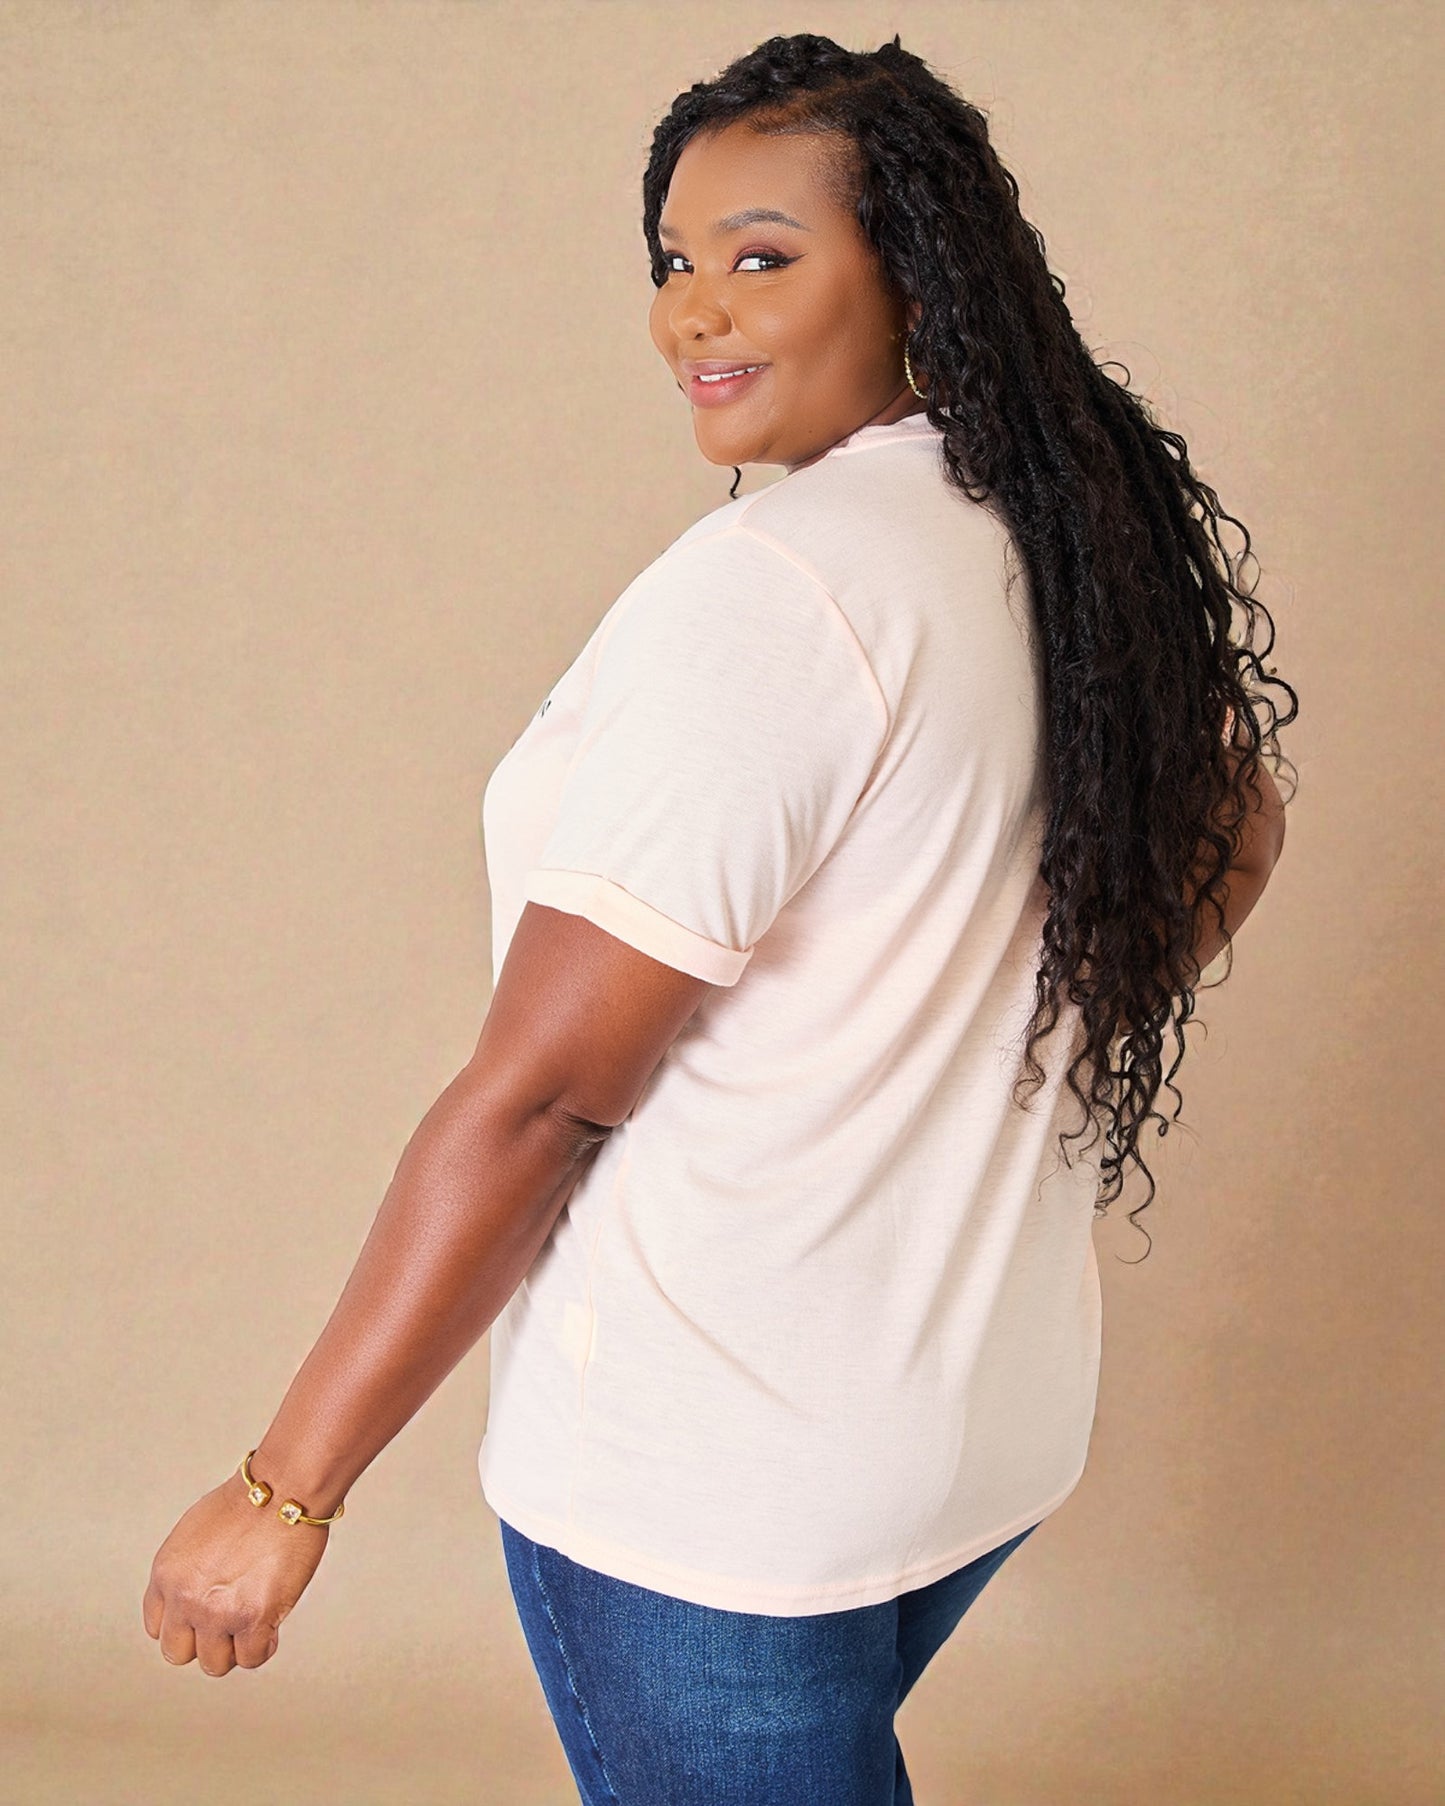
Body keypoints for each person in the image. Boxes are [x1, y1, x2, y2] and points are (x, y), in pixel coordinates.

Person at [143, 31, 1296, 1806]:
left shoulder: (776, 596)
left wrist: (284, 1487)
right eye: (673, 266)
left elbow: (537, 1098)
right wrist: (999, 1013)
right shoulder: (1064, 536)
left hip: (715, 1481)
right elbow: (1230, 820)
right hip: (966, 1422)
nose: (695, 312)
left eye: (763, 255)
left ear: (913, 268)